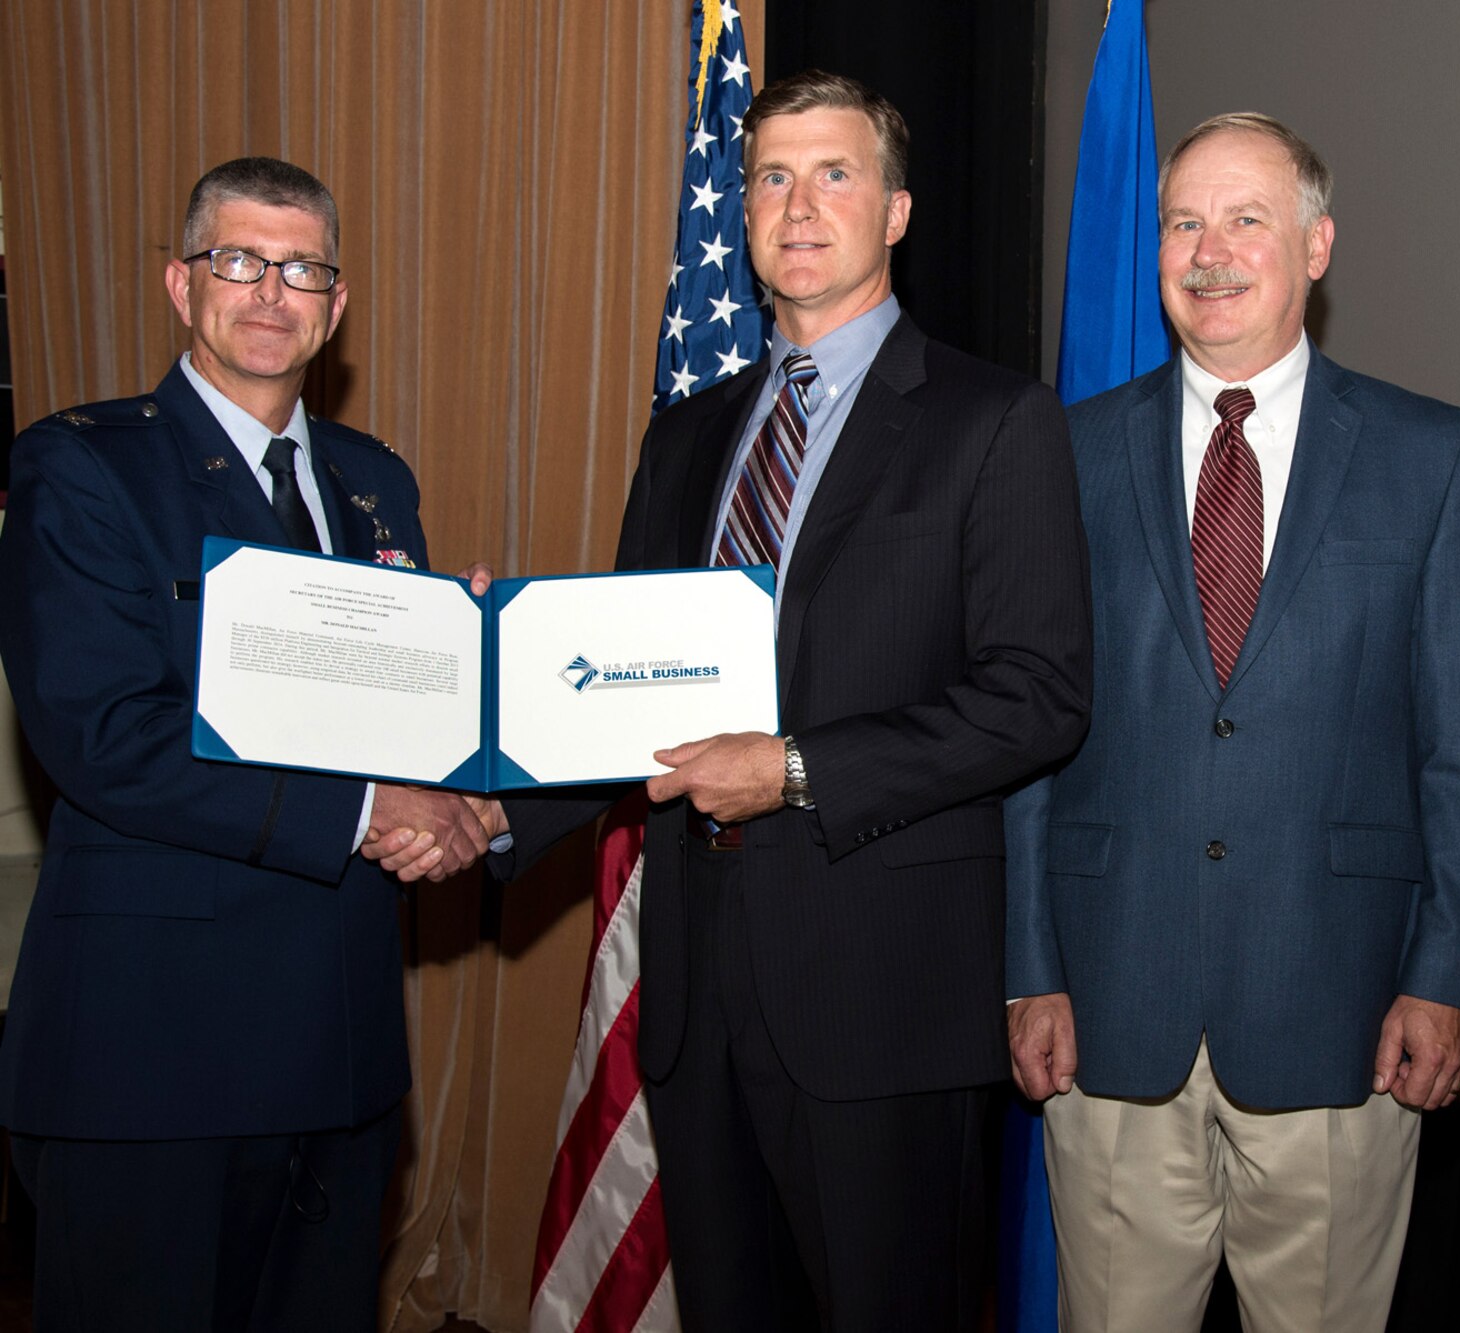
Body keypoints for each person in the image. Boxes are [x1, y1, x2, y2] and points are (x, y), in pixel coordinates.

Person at [396, 71, 1091, 1331]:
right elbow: (612, 696)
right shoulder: (688, 437)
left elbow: (1038, 698)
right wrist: (490, 813)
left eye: (834, 174)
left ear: (895, 212)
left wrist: (796, 769)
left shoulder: (995, 423)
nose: (797, 204)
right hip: (696, 989)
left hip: (880, 1001)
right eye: (770, 176)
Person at [1005, 112, 1460, 1332]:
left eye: (1246, 219)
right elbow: (1023, 735)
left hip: (1342, 1021)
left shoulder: (1428, 456)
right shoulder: (1059, 452)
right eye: (1183, 221)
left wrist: (1446, 978)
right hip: (1109, 1013)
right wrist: (1029, 969)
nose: (1208, 250)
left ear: (1316, 244)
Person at [0, 156, 489, 1330]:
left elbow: (396, 722)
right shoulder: (83, 466)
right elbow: (107, 737)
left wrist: (477, 681)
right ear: (182, 285)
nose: (270, 292)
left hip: (341, 1051)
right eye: (237, 261)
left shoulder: (377, 487)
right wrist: (376, 813)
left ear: (337, 303)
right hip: (150, 1055)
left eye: (302, 269)